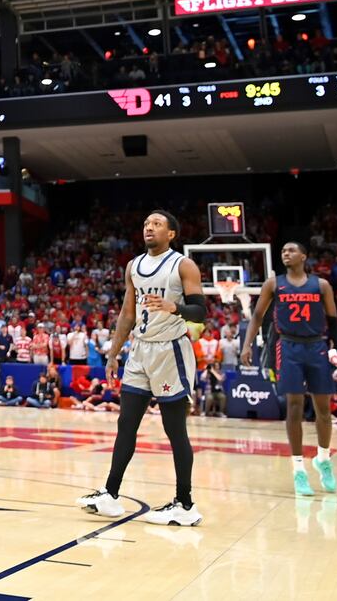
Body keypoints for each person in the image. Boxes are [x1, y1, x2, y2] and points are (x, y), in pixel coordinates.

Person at [77, 210, 205, 526]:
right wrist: (112, 354)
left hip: (170, 351)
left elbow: (200, 312)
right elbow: (127, 313)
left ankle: (185, 505)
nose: (149, 227)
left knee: (175, 430)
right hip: (140, 351)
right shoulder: (133, 266)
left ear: (171, 233)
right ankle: (110, 494)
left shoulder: (183, 265)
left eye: (157, 224)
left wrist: (175, 306)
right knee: (126, 423)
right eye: (146, 223)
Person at [243, 240, 337, 496]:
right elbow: (257, 316)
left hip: (316, 346)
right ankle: (298, 468)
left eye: (291, 250)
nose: (286, 253)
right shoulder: (274, 283)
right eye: (283, 250)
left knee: (323, 408)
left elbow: (333, 321)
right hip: (288, 346)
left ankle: (323, 458)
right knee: (295, 406)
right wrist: (246, 345)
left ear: (304, 256)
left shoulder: (321, 285)